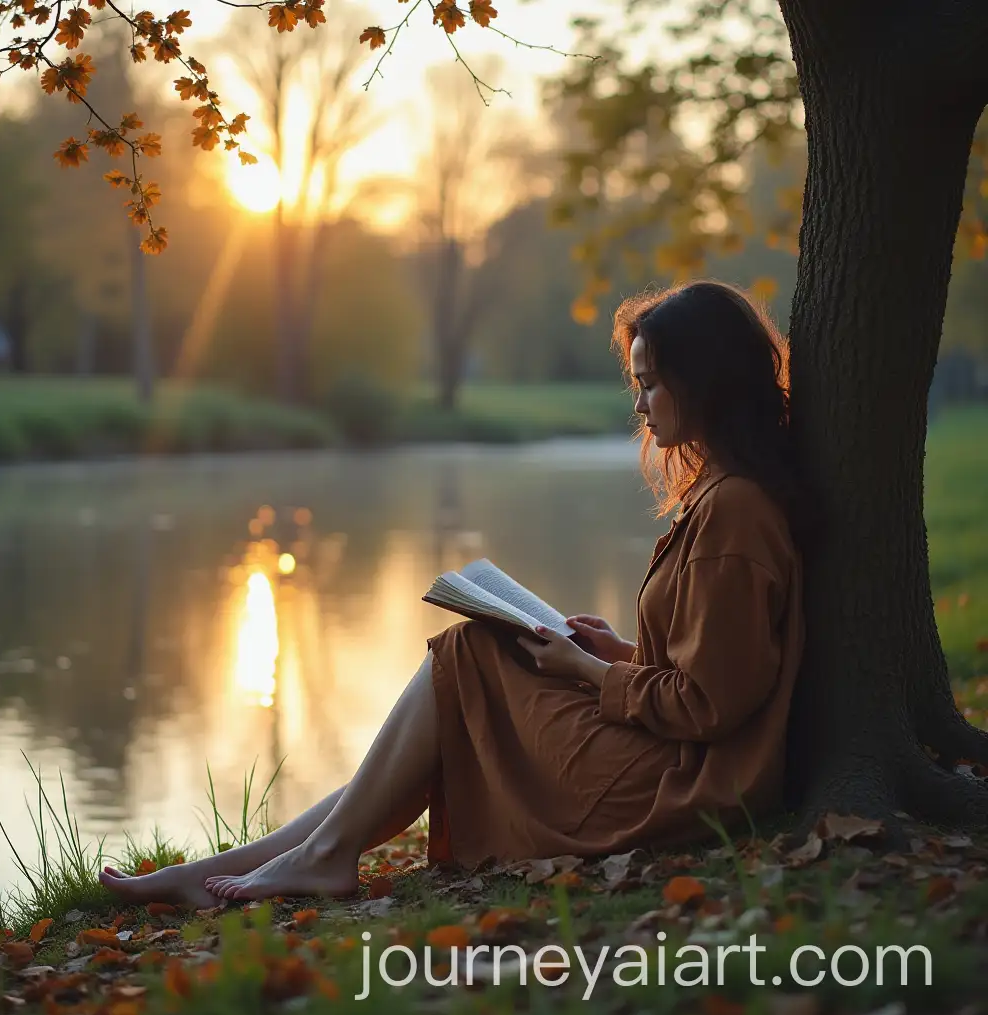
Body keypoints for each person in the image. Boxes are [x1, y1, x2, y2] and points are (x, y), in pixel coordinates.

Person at [99, 279, 806, 906]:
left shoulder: (733, 511)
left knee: (467, 651)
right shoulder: (718, 496)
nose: (641, 406)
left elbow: (709, 707)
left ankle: (316, 858)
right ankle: (255, 863)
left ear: (702, 379)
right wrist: (611, 649)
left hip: (686, 787)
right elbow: (707, 667)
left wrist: (587, 671)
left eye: (651, 383)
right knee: (470, 659)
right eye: (636, 385)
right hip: (671, 758)